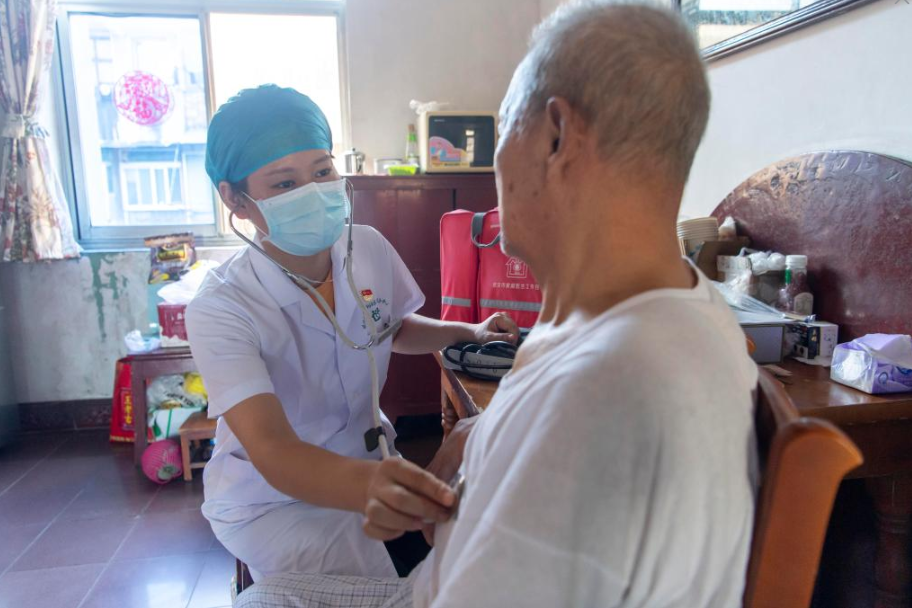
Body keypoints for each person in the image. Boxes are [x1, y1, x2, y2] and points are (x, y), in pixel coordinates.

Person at [233, 2, 760, 607]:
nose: (494, 162)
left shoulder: (597, 397)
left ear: (557, 138)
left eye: (504, 127)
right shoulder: (673, 310)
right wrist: (484, 434)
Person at [186, 84, 519, 583]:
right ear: (235, 199)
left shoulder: (366, 247)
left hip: (368, 463)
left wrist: (468, 331)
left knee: (454, 561)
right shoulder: (222, 306)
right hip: (275, 501)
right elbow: (274, 452)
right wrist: (399, 484)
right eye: (284, 183)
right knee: (403, 585)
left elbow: (390, 328)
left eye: (322, 171)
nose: (313, 191)